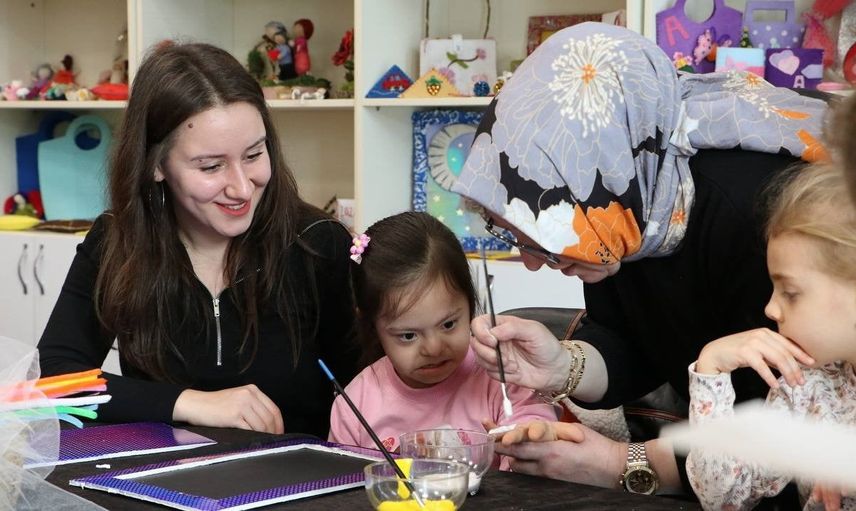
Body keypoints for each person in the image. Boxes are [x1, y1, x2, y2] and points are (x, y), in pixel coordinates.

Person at [452, 22, 829, 498]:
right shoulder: (630, 191)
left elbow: (774, 442)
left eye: (543, 238)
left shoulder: (753, 211)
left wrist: (616, 463)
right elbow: (631, 340)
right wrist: (561, 366)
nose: (532, 263)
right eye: (514, 235)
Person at [36, 42, 360, 438]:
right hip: (163, 474)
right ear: (156, 165)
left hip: (300, 475)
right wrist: (191, 403)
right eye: (211, 166)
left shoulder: (316, 244)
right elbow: (56, 379)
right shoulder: (118, 240)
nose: (242, 188)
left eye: (254, 155)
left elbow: (369, 389)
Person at [686, 162, 856, 511]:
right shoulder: (806, 385)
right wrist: (711, 368)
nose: (770, 309)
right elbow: (723, 497)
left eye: (790, 293)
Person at [327, 212, 558, 455]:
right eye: (408, 336)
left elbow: (533, 424)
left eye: (448, 325)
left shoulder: (502, 373)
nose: (434, 348)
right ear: (371, 324)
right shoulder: (355, 405)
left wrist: (528, 439)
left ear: (469, 303)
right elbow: (342, 477)